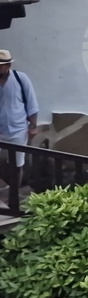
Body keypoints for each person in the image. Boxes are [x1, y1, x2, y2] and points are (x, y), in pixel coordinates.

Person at [0, 50, 38, 205]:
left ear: (8, 65)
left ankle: (13, 201)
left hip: (18, 129)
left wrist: (33, 126)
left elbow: (31, 103)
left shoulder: (20, 79)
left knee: (17, 164)